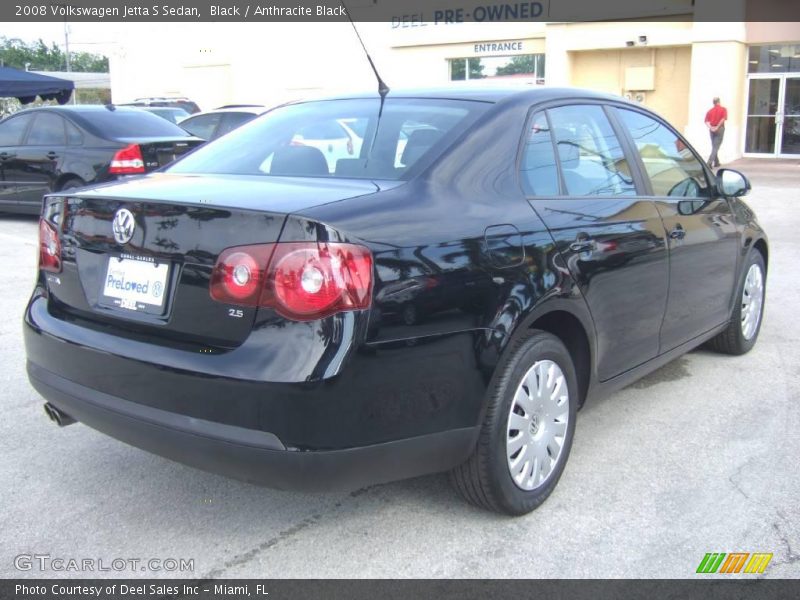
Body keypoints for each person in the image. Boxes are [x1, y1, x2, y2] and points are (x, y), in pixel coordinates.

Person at [705, 97, 727, 168]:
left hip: (712, 129)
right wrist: (717, 127)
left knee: (714, 145)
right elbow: (723, 119)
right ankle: (709, 163)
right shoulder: (723, 109)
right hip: (719, 129)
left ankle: (716, 162)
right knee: (716, 146)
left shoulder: (710, 111)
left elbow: (706, 121)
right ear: (719, 102)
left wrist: (711, 127)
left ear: (713, 102)